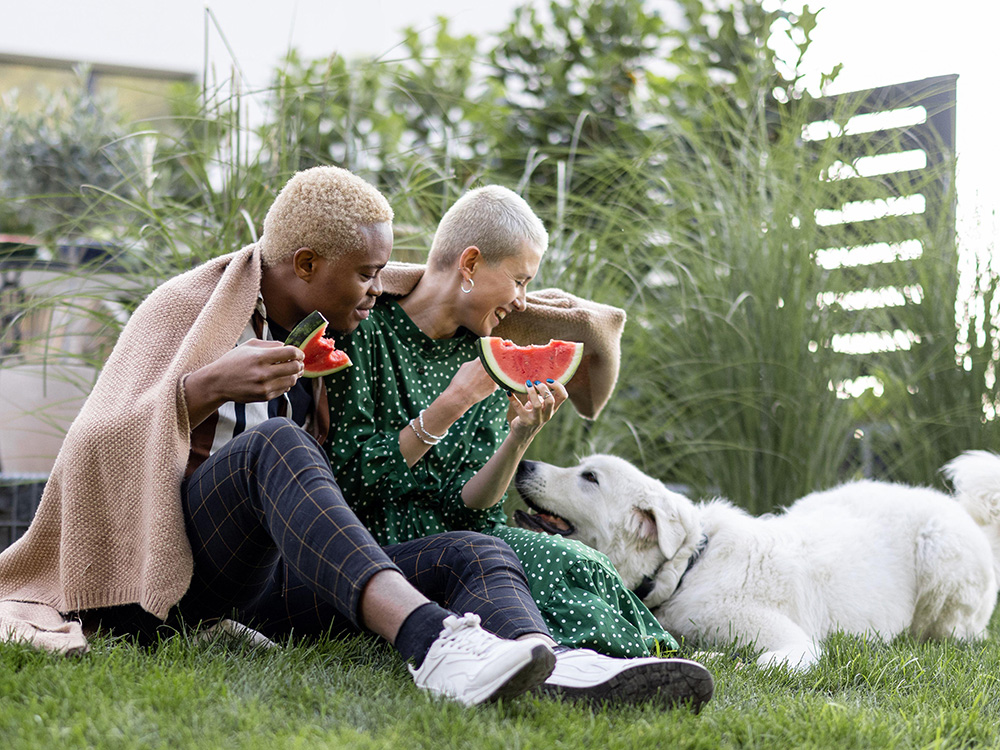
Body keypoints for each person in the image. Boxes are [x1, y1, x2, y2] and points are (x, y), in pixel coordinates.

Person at [0, 166, 643, 709]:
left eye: (382, 273)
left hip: (267, 585)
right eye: (367, 274)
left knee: (476, 551)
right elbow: (96, 442)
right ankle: (430, 640)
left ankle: (550, 667)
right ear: (306, 263)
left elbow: (446, 289)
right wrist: (203, 387)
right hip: (169, 576)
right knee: (276, 444)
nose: (376, 291)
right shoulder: (189, 306)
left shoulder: (329, 329)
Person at [325, 185, 713, 704]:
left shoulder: (485, 354)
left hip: (464, 535)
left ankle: (614, 664)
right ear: (469, 264)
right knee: (523, 558)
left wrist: (518, 438)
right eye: (519, 280)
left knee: (580, 560)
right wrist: (450, 404)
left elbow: (477, 507)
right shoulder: (368, 335)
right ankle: (580, 662)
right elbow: (351, 478)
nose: (523, 301)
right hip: (383, 549)